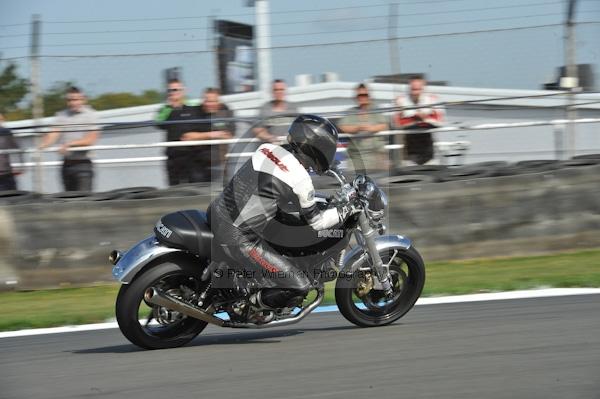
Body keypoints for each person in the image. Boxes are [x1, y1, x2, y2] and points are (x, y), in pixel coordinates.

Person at [209, 114, 359, 310]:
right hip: (237, 237)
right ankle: (249, 307)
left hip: (217, 212)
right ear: (317, 148)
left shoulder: (268, 149)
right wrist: (345, 209)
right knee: (298, 286)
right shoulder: (301, 180)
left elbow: (273, 190)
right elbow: (317, 223)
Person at [40, 86, 100, 191]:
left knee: (84, 200)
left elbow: (90, 140)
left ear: (83, 100)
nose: (72, 103)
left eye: (76, 99)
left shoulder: (92, 115)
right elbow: (54, 133)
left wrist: (69, 144)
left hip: (83, 164)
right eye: (69, 100)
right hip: (66, 164)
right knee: (68, 200)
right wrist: (43, 144)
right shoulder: (61, 115)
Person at [155, 79, 212, 185]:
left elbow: (209, 110)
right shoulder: (165, 109)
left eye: (176, 89)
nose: (172, 92)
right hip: (174, 156)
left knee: (196, 184)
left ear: (183, 91)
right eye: (170, 90)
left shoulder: (193, 106)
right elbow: (158, 123)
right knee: (175, 188)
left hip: (193, 155)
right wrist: (171, 107)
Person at [179, 87, 234, 183]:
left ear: (219, 102)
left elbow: (228, 135)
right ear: (203, 101)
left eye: (213, 101)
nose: (209, 104)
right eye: (207, 101)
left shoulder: (225, 111)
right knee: (199, 196)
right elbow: (186, 137)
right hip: (197, 165)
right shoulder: (194, 112)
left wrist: (199, 137)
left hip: (219, 164)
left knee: (221, 195)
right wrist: (212, 135)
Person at [394, 76, 445, 165]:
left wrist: (424, 118)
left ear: (423, 89)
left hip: (428, 146)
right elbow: (396, 123)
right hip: (409, 146)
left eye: (418, 89)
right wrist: (416, 118)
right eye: (413, 89)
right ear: (409, 89)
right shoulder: (400, 100)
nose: (416, 93)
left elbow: (440, 121)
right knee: (410, 174)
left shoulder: (432, 99)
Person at [338, 83, 389, 174]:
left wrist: (371, 128)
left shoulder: (376, 111)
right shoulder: (350, 112)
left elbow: (384, 125)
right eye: (359, 95)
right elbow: (342, 127)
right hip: (356, 156)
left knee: (381, 182)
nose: (362, 98)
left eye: (365, 95)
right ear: (356, 97)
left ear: (369, 96)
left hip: (376, 155)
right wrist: (357, 128)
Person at [0, 113, 23, 191]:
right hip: (5, 174)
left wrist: (19, 167)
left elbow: (15, 148)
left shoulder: (6, 132)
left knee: (13, 197)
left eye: (1, 120)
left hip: (7, 174)